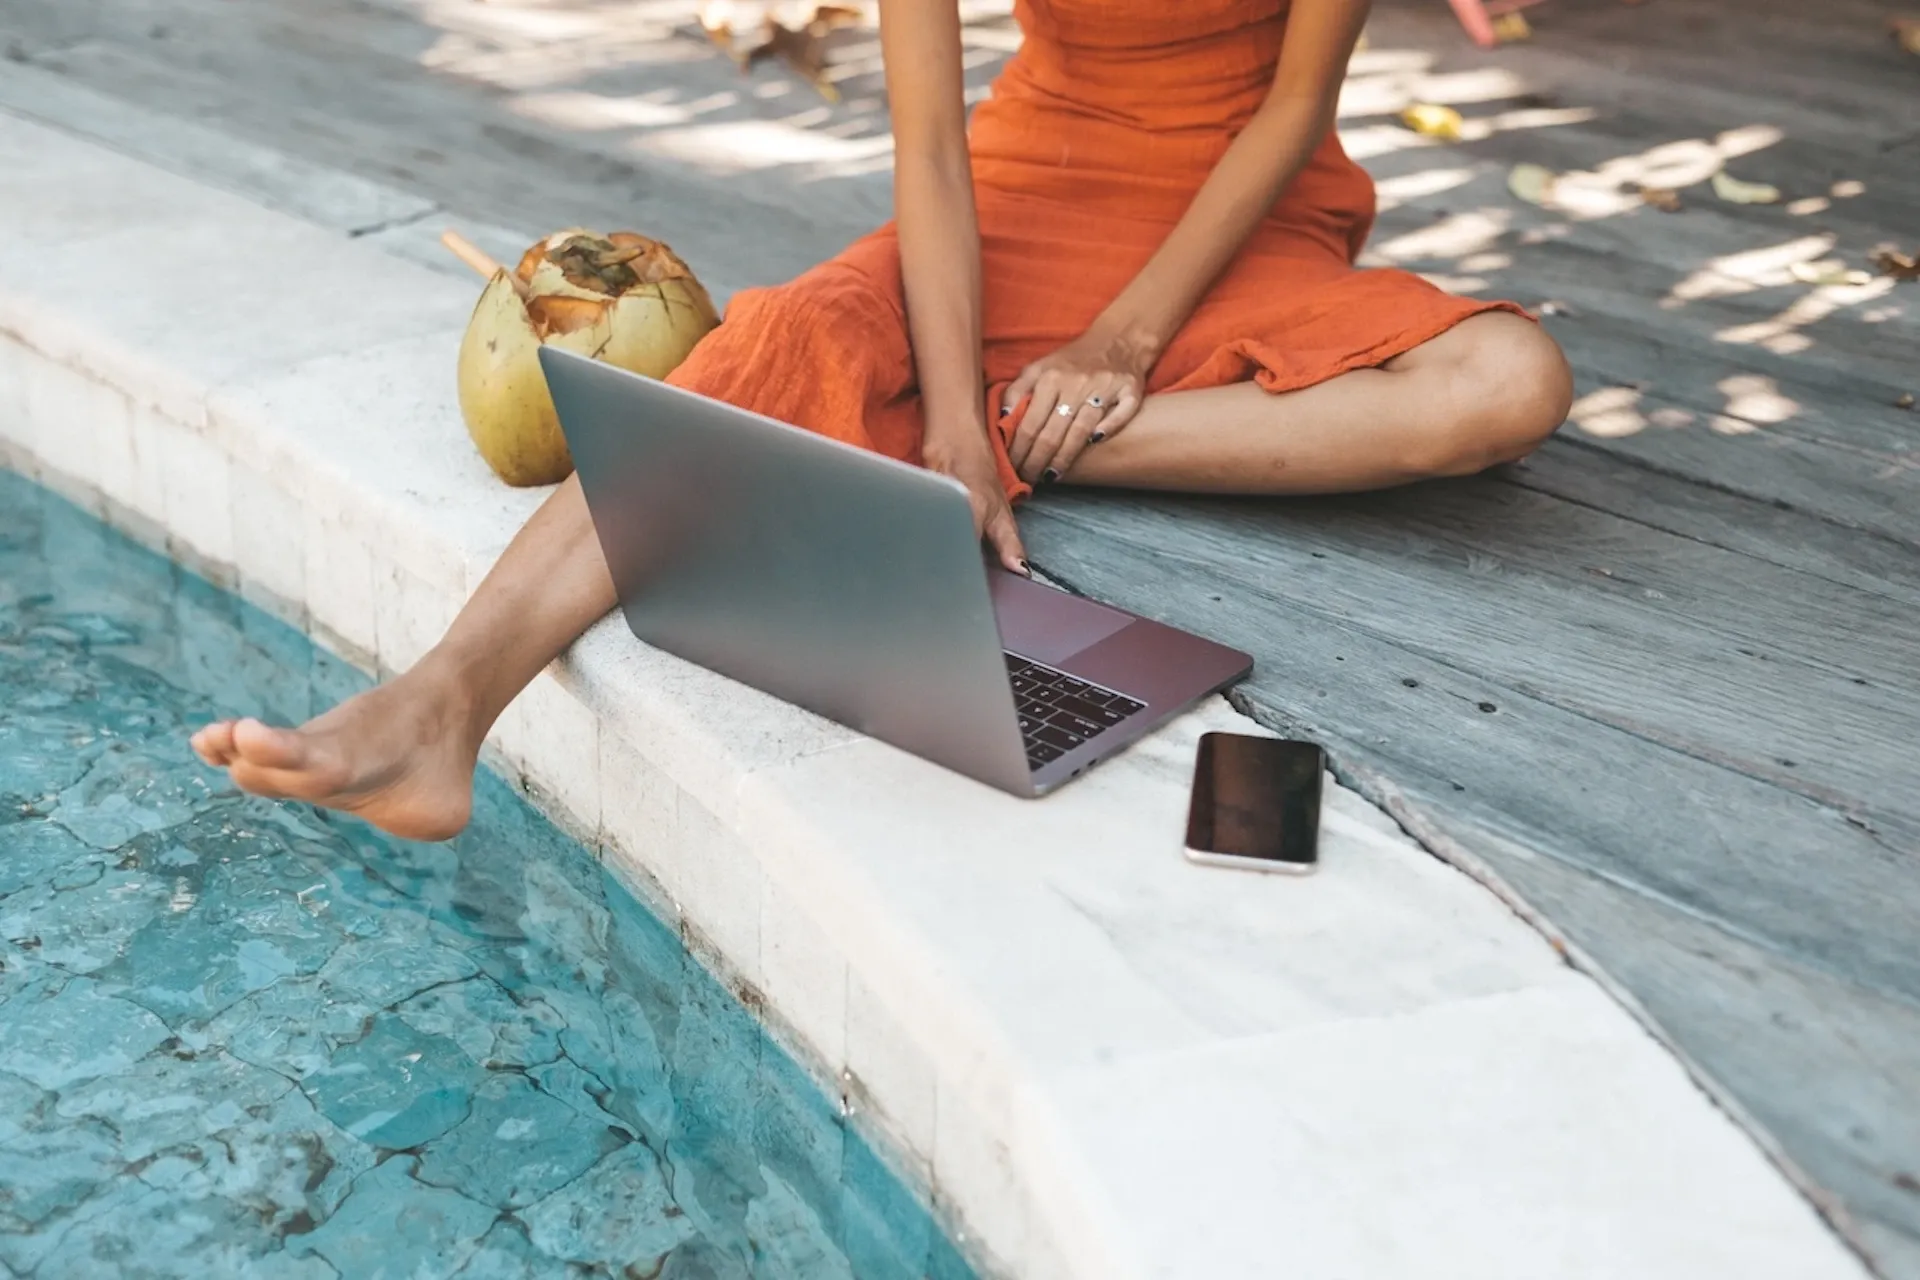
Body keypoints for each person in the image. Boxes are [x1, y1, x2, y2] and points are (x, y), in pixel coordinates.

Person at [192, 0, 1572, 840]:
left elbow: (1290, 114)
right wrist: (963, 441)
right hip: (1024, 182)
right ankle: (443, 705)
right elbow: (929, 147)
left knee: (1508, 386)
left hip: (1241, 209)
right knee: (786, 337)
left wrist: (1119, 344)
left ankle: (995, 412)